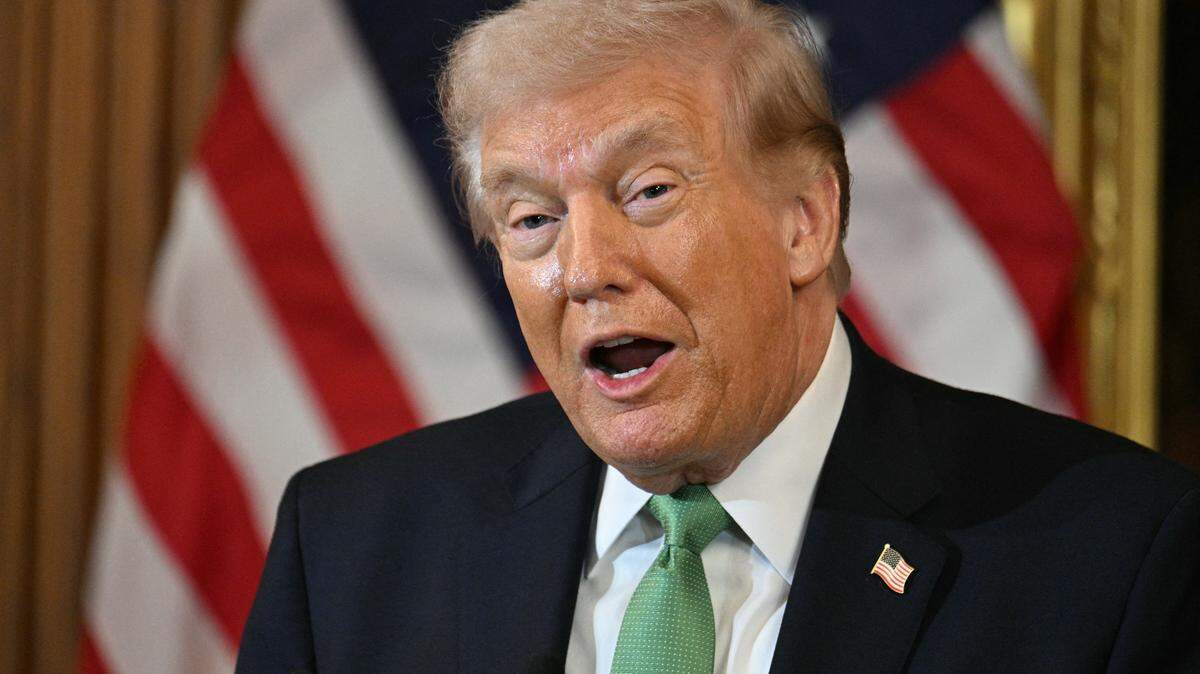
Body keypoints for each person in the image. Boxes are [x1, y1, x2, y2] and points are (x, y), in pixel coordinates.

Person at [236, 0, 1200, 672]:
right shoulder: (354, 553)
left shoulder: (1111, 560)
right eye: (531, 220)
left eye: (648, 192)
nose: (584, 268)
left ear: (805, 223)